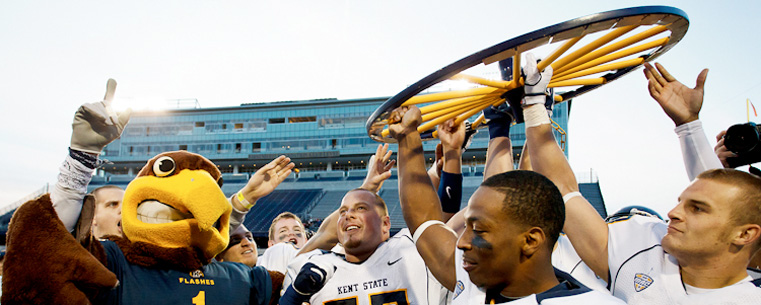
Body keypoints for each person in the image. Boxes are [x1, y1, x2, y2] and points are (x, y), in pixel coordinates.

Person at [526, 59, 761, 304]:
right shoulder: (643, 248)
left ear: (745, 234)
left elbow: (738, 205)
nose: (672, 213)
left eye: (697, 209)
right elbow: (563, 189)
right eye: (682, 202)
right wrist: (534, 104)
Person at [387, 90, 624, 305]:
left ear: (530, 241)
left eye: (478, 230)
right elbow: (425, 222)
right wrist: (408, 136)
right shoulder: (473, 280)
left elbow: (566, 191)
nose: (460, 241)